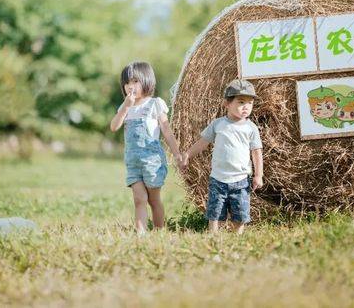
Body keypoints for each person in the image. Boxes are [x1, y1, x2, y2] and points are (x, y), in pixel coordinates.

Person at [182, 79, 263, 234]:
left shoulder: (251, 128)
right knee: (215, 212)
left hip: (241, 180)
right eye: (240, 102)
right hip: (218, 178)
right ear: (226, 103)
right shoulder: (218, 124)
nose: (246, 107)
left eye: (250, 103)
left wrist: (259, 175)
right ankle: (213, 235)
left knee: (240, 213)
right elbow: (203, 142)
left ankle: (237, 236)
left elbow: (256, 152)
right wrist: (187, 155)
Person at [110, 61, 182, 233]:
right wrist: (125, 108)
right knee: (139, 199)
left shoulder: (154, 104)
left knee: (153, 200)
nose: (130, 87)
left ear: (146, 81)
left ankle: (158, 231)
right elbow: (114, 127)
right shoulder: (125, 107)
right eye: (127, 83)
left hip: (152, 162)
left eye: (135, 81)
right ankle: (140, 234)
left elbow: (166, 130)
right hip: (133, 162)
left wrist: (177, 153)